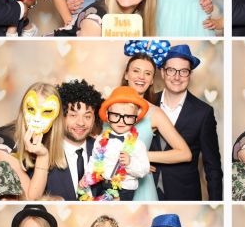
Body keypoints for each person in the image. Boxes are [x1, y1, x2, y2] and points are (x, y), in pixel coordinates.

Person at [121, 41, 193, 201]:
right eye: (136, 71)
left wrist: (140, 158)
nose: (141, 77)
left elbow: (185, 153)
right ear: (126, 75)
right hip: (108, 184)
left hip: (140, 189)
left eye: (147, 73)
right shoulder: (108, 106)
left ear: (152, 80)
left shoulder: (155, 113)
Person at [151, 43, 223, 200]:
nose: (177, 77)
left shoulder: (203, 113)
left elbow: (212, 167)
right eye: (171, 70)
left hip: (184, 194)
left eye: (183, 71)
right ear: (162, 72)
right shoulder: (147, 103)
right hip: (147, 190)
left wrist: (217, 201)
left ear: (190, 74)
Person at [0, 82, 66, 200]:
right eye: (31, 109)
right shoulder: (1, 145)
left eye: (47, 111)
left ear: (56, 116)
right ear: (23, 109)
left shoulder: (52, 137)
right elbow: (30, 198)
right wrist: (43, 156)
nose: (37, 118)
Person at [78, 86, 151, 201]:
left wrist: (130, 163)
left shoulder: (138, 144)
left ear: (135, 118)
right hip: (103, 185)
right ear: (108, 116)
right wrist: (87, 177)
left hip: (125, 190)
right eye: (116, 115)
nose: (121, 121)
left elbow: (144, 170)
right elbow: (94, 160)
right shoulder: (101, 139)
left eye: (128, 117)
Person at [47, 79, 103, 200]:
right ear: (61, 116)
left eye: (87, 116)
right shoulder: (44, 152)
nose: (81, 123)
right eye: (73, 115)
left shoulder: (103, 149)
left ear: (95, 118)